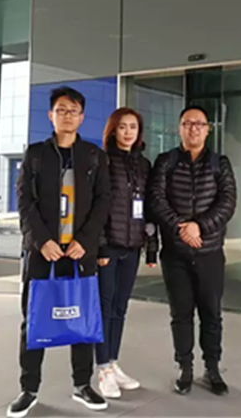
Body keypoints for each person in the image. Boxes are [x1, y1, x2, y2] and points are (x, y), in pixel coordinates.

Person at [7, 87, 112, 418]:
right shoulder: (36, 154)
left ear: (82, 117)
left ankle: (82, 384)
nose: (68, 115)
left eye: (74, 110)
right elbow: (24, 202)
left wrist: (86, 240)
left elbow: (104, 201)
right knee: (34, 318)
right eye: (61, 110)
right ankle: (29, 388)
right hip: (44, 252)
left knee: (83, 316)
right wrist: (41, 241)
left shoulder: (94, 156)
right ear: (50, 116)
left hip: (80, 251)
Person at [148, 106, 237, 397]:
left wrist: (200, 226)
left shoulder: (219, 163)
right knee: (181, 313)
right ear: (180, 128)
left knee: (211, 314)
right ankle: (184, 368)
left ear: (208, 129)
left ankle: (212, 368)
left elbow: (227, 203)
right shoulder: (166, 162)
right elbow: (156, 200)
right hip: (176, 254)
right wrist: (181, 229)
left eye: (199, 124)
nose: (193, 128)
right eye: (188, 123)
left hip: (210, 252)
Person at [95, 108, 158, 399]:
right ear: (113, 130)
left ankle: (113, 362)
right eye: (122, 127)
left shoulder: (143, 164)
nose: (128, 132)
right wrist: (99, 246)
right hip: (109, 246)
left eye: (133, 127)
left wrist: (151, 247)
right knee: (104, 308)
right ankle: (102, 369)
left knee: (120, 308)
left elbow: (148, 208)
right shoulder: (102, 161)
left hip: (132, 246)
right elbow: (95, 206)